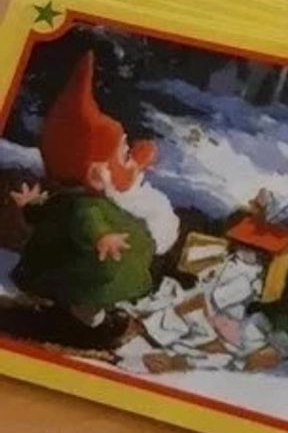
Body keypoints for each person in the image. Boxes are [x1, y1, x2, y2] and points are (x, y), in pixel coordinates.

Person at [10, 51, 179, 349]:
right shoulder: (87, 205)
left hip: (82, 266)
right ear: (97, 174)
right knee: (88, 302)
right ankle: (91, 330)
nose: (132, 161)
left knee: (87, 296)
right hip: (89, 273)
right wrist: (102, 236)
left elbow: (47, 217)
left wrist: (31, 206)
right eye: (124, 154)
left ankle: (85, 318)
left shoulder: (79, 197)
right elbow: (85, 222)